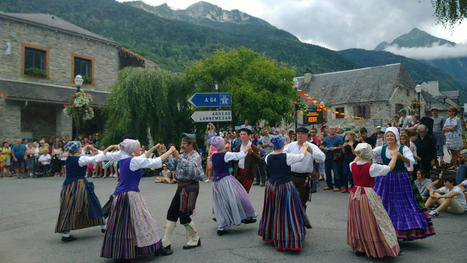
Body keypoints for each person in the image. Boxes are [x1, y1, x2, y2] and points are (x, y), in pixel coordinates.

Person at [97, 139, 174, 259]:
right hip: (130, 196)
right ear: (132, 150)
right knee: (145, 221)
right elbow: (155, 162)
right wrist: (170, 150)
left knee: (124, 225)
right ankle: (156, 248)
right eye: (138, 148)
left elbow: (143, 157)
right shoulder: (134, 161)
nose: (140, 149)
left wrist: (153, 148)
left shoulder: (125, 159)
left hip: (121, 196)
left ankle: (122, 251)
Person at [373, 127, 435, 240]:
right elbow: (368, 154)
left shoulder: (403, 148)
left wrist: (399, 156)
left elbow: (411, 162)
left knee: (401, 205)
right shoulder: (381, 149)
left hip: (400, 179)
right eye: (387, 136)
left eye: (391, 135)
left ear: (396, 137)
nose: (389, 138)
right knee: (384, 204)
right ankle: (382, 231)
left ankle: (400, 232)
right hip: (384, 180)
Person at [258, 135, 311, 251]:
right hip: (284, 186)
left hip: (271, 186)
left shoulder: (268, 157)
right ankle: (286, 236)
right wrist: (305, 147)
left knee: (272, 210)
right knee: (287, 211)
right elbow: (302, 157)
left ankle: (272, 233)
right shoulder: (287, 157)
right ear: (283, 144)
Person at [347, 143, 400, 258]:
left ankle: (360, 246)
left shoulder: (352, 165)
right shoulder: (372, 167)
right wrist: (395, 156)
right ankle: (377, 247)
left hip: (355, 195)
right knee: (375, 220)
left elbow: (356, 160)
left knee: (358, 220)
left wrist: (359, 153)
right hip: (367, 195)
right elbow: (389, 168)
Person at [160, 133, 204, 255]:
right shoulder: (183, 155)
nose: (181, 145)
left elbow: (192, 171)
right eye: (181, 143)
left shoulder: (196, 156)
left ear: (191, 144)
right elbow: (172, 166)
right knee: (171, 213)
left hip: (190, 187)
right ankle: (166, 243)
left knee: (184, 215)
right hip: (180, 187)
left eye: (184, 143)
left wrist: (179, 157)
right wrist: (165, 153)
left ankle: (195, 239)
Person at [54, 141, 105, 241]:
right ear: (77, 150)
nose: (82, 148)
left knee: (69, 206)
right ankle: (103, 226)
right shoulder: (81, 159)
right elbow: (94, 159)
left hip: (68, 185)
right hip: (79, 185)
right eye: (80, 147)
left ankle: (66, 234)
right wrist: (103, 152)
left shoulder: (69, 157)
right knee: (93, 203)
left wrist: (87, 147)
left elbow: (81, 152)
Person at [208, 136, 257, 235]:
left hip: (216, 182)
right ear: (222, 144)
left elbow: (210, 166)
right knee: (239, 197)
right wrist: (247, 149)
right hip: (225, 180)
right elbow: (239, 155)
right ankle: (245, 216)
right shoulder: (226, 154)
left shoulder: (213, 155)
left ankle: (221, 225)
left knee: (221, 202)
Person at [284, 127, 325, 208]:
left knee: (302, 201)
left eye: (303, 134)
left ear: (307, 135)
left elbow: (322, 158)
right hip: (291, 176)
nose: (300, 135)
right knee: (290, 201)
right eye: (298, 133)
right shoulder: (290, 146)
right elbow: (282, 156)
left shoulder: (311, 146)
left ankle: (301, 219)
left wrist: (311, 151)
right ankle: (292, 219)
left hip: (305, 177)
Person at [232, 128, 261, 193]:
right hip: (238, 173)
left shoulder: (253, 147)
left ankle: (244, 203)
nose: (242, 136)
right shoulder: (237, 147)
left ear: (248, 136)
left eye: (244, 134)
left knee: (244, 194)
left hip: (248, 174)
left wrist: (252, 153)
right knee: (237, 194)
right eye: (241, 134)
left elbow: (259, 160)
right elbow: (233, 162)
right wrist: (231, 172)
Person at [320, 126, 344, 191]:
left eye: (333, 129)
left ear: (335, 130)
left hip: (335, 157)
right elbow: (321, 146)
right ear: (328, 130)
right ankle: (329, 185)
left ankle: (337, 186)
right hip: (327, 157)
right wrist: (325, 148)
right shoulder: (326, 138)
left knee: (336, 172)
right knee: (327, 172)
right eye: (330, 129)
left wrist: (335, 148)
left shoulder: (338, 138)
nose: (332, 130)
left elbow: (342, 146)